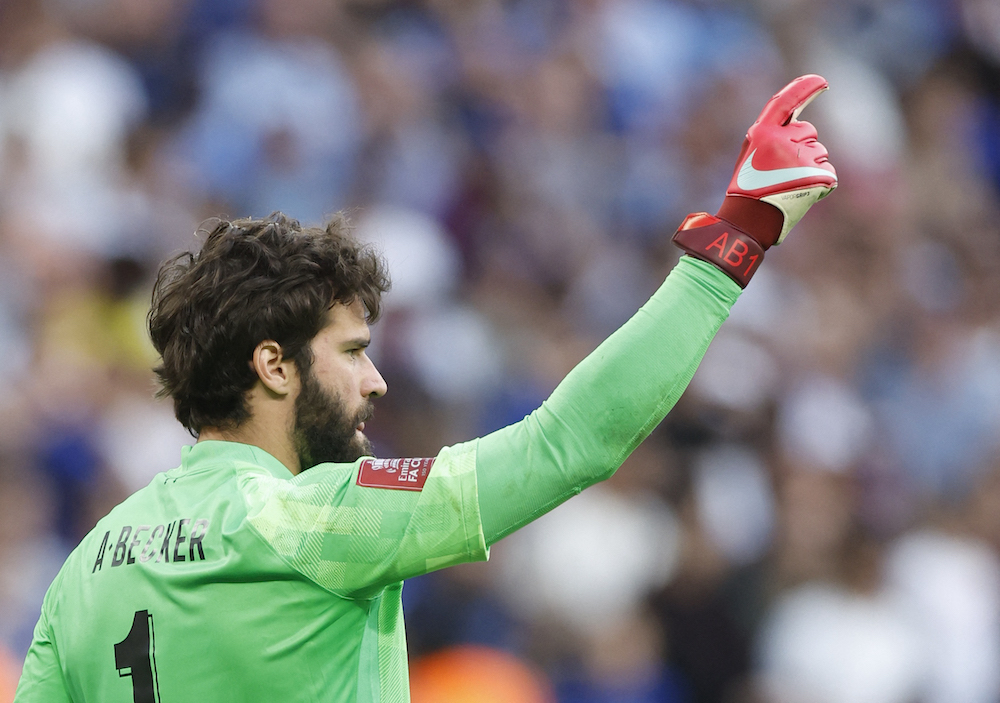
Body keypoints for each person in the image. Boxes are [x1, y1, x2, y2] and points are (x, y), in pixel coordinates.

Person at [14, 74, 837, 703]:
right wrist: (737, 239)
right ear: (273, 365)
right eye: (352, 351)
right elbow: (570, 441)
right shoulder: (313, 520)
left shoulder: (85, 568)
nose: (375, 381)